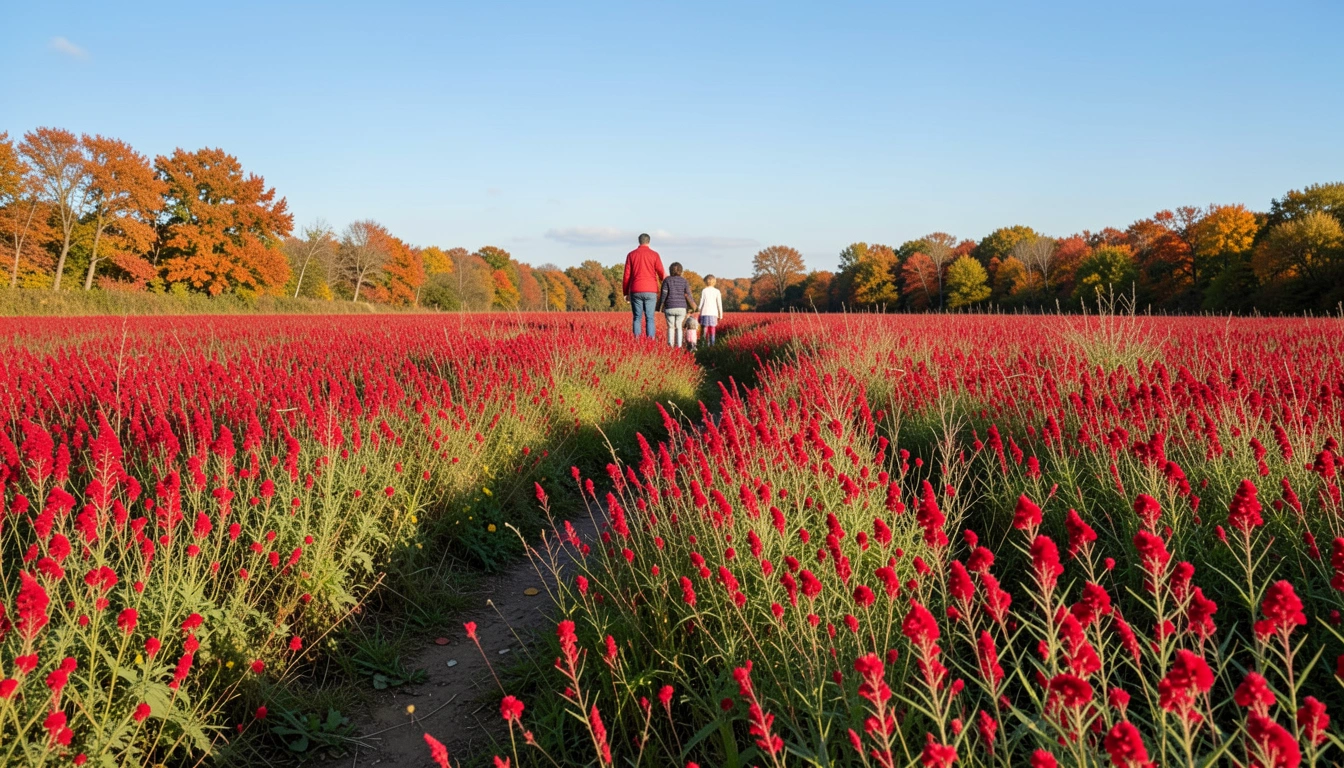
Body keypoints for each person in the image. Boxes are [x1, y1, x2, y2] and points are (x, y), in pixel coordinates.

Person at [622, 233, 665, 339]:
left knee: (637, 317)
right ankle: (650, 342)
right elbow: (661, 273)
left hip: (636, 289)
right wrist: (664, 285)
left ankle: (637, 342)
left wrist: (626, 292)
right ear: (649, 241)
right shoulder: (654, 255)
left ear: (639, 241)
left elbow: (626, 275)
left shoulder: (631, 255)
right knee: (650, 317)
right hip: (651, 290)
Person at [656, 262, 696, 349]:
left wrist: (660, 306)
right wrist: (692, 306)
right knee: (679, 327)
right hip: (681, 308)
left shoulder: (667, 280)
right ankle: (679, 346)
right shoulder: (684, 281)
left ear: (670, 270)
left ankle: (670, 346)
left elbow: (663, 294)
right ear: (681, 271)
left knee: (670, 327)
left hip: (669, 307)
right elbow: (688, 295)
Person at [698, 274, 724, 345]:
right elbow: (719, 304)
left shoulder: (704, 290)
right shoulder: (717, 291)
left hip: (705, 312)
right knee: (712, 329)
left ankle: (703, 345)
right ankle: (712, 344)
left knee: (704, 330)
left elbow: (701, 302)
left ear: (706, 282)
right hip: (713, 313)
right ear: (714, 282)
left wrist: (698, 309)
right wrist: (720, 315)